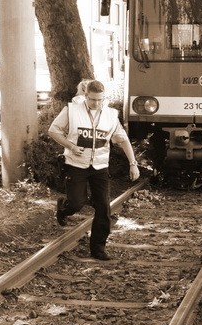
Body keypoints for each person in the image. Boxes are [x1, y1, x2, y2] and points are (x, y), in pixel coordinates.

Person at [48, 80, 140, 261]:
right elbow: (53, 130)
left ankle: (98, 247)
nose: (96, 104)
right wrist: (71, 146)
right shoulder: (72, 111)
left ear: (104, 98)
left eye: (100, 100)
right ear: (85, 96)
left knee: (103, 207)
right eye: (92, 100)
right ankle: (64, 207)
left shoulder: (111, 115)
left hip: (99, 167)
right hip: (76, 164)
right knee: (77, 203)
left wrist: (133, 163)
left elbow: (122, 139)